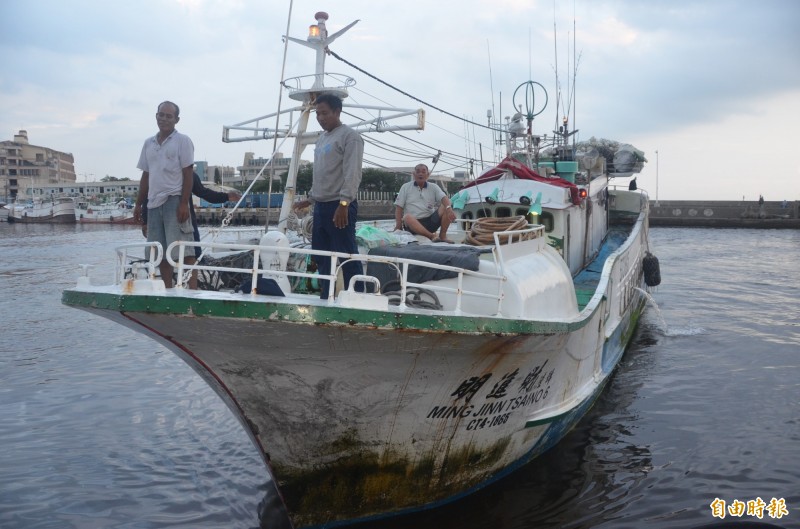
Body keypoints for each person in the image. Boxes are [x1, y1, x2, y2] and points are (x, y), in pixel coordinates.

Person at [292, 92, 364, 298]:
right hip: (321, 207)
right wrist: (311, 198)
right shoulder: (322, 139)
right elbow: (322, 173)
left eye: (324, 113)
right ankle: (327, 295)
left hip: (339, 206)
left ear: (337, 112)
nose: (320, 118)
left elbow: (352, 173)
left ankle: (357, 296)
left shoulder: (350, 137)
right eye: (317, 114)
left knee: (346, 254)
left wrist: (344, 203)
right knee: (321, 255)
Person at [141, 172, 241, 289]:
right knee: (165, 254)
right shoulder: (155, 172)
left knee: (191, 255)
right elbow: (146, 196)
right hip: (161, 219)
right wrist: (145, 220)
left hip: (186, 220)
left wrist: (226, 196)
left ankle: (192, 290)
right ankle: (167, 289)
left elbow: (203, 192)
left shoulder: (188, 174)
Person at [133, 101, 194, 288]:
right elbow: (146, 175)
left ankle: (194, 290)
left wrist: (184, 203)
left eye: (169, 116)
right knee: (158, 251)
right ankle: (167, 289)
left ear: (177, 120)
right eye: (161, 114)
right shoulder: (148, 143)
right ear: (156, 116)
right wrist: (138, 204)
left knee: (183, 249)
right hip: (153, 204)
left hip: (173, 200)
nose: (164, 119)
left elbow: (188, 173)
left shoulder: (183, 141)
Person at [394, 163, 456, 242]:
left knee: (446, 205)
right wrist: (398, 225)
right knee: (407, 217)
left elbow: (444, 198)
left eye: (423, 172)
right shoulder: (405, 187)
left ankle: (442, 236)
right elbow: (399, 207)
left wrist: (449, 208)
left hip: (430, 221)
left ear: (428, 175)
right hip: (413, 223)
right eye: (418, 172)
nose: (420, 174)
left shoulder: (434, 187)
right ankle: (431, 236)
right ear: (414, 174)